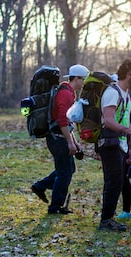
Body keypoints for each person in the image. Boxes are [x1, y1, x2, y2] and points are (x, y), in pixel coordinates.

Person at [31, 64, 88, 214]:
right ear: (76, 78)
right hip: (57, 138)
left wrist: (76, 144)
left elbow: (69, 123)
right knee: (64, 173)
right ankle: (55, 207)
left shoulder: (68, 92)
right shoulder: (66, 94)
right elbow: (62, 121)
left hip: (60, 137)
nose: (84, 83)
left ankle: (40, 186)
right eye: (83, 80)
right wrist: (70, 143)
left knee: (68, 170)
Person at [97, 59, 131, 232]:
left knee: (118, 181)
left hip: (121, 144)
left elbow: (126, 122)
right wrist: (128, 131)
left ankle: (108, 218)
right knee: (113, 182)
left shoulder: (127, 95)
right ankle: (105, 220)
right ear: (129, 74)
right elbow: (107, 120)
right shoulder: (112, 93)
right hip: (109, 143)